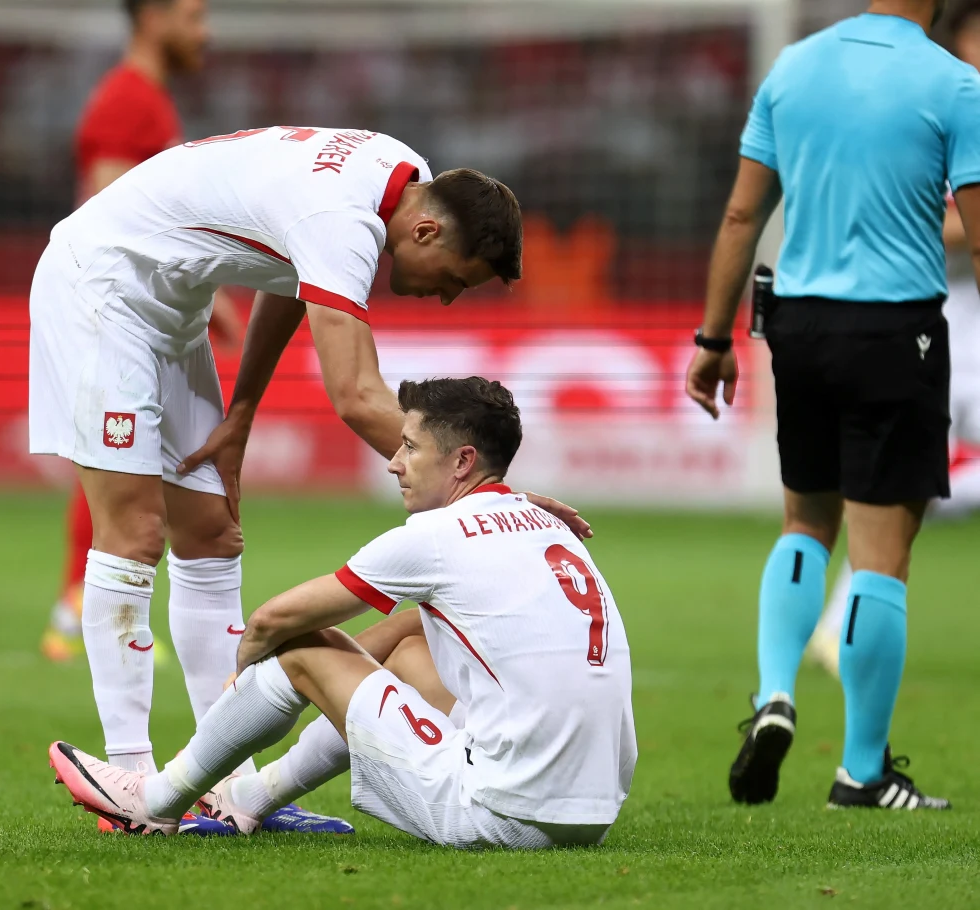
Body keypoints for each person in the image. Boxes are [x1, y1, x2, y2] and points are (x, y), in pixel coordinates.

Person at [28, 125, 592, 781]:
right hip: (100, 286)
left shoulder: (403, 172)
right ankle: (129, 774)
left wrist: (240, 415)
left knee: (211, 532)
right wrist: (490, 503)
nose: (445, 297)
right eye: (456, 281)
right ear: (427, 234)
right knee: (134, 529)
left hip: (171, 306)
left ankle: (221, 783)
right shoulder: (345, 217)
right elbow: (356, 394)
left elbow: (294, 268)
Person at [47, 377, 635, 847]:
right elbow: (410, 629)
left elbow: (274, 621)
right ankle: (247, 800)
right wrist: (347, 679)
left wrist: (250, 677)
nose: (393, 463)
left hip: (501, 813)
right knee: (408, 649)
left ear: (461, 462)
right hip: (592, 812)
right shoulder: (546, 525)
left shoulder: (435, 535)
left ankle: (154, 802)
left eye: (410, 447)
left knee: (301, 646)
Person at [685, 0, 978, 809]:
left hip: (799, 327)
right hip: (895, 332)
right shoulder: (955, 83)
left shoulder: (795, 67)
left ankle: (773, 694)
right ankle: (861, 770)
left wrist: (713, 341)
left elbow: (744, 213)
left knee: (805, 522)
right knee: (882, 555)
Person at [40, 0, 246, 667]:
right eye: (193, 14)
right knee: (118, 454)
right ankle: (80, 604)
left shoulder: (145, 99)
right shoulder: (128, 102)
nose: (205, 30)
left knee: (127, 453)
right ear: (153, 16)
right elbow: (107, 211)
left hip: (137, 302)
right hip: (115, 305)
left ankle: (86, 602)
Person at [807, 0, 980, 678]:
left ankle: (844, 616)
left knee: (913, 471)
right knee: (910, 471)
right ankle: (846, 617)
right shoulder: (934, 104)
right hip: (941, 310)